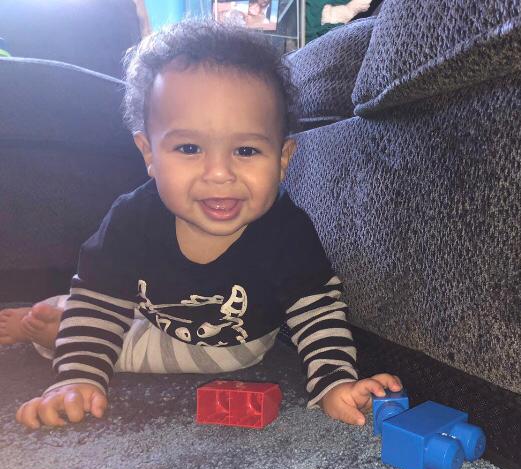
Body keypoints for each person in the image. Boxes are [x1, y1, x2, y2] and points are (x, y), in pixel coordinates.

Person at [0, 19, 401, 430]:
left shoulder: (286, 231)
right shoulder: (132, 218)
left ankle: (56, 332)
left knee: (207, 355)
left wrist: (335, 381)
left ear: (282, 159)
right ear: (149, 154)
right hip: (149, 303)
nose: (219, 173)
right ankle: (68, 327)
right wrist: (78, 376)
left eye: (246, 150)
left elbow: (316, 309)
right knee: (97, 311)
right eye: (189, 148)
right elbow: (100, 293)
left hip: (228, 340)